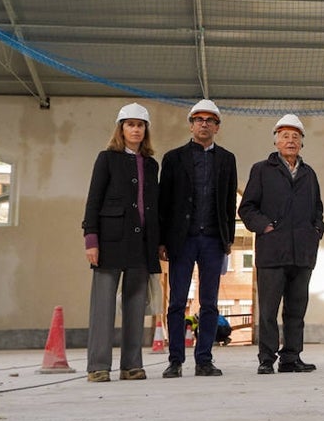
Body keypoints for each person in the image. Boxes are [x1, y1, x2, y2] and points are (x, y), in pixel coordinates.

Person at [238, 114, 324, 375]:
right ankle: (266, 358)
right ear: (276, 141)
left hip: (302, 253)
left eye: (295, 137)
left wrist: (316, 230)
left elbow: (317, 209)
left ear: (301, 143)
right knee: (268, 310)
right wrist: (265, 226)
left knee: (296, 310)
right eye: (285, 136)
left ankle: (291, 357)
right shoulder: (261, 170)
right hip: (272, 252)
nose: (290, 141)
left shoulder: (309, 174)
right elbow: (247, 207)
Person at [81, 102, 161, 382]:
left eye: (140, 125)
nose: (135, 130)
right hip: (110, 240)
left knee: (136, 305)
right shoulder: (107, 159)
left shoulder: (152, 165)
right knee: (103, 306)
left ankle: (132, 365)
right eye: (130, 125)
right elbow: (93, 200)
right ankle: (98, 366)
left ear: (145, 130)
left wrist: (158, 242)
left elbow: (153, 206)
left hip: (142, 243)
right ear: (121, 128)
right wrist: (91, 239)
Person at [159, 99, 238, 377]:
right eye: (199, 119)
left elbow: (229, 202)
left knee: (209, 302)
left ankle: (204, 359)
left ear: (217, 127)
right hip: (182, 240)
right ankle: (175, 360)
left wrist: (228, 238)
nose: (204, 124)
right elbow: (163, 202)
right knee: (177, 302)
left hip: (213, 240)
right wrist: (162, 240)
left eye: (210, 120)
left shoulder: (227, 159)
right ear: (191, 125)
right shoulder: (173, 158)